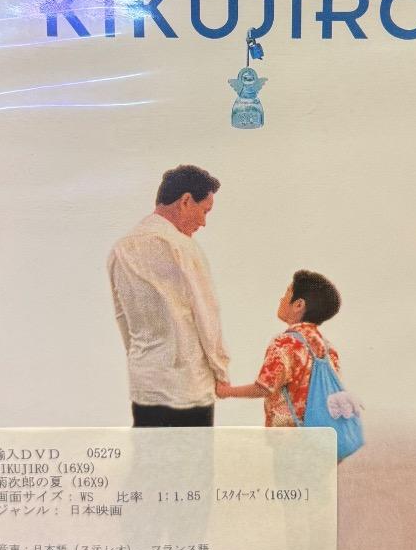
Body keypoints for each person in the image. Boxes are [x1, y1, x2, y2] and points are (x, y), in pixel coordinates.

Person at [107, 164, 230, 427]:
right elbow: (206, 314)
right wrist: (220, 371)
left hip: (145, 386)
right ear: (185, 201)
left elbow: (122, 317)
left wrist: (141, 362)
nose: (203, 222)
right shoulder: (183, 247)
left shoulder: (120, 249)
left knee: (151, 452)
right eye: (204, 211)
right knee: (192, 454)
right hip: (189, 387)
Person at [216, 270, 343, 427]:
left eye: (287, 293)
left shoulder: (286, 343)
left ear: (298, 305)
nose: (281, 299)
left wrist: (227, 391)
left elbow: (264, 388)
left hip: (288, 435)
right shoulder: (328, 349)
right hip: (320, 432)